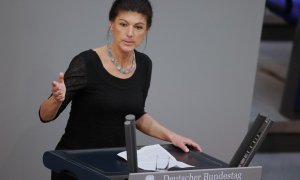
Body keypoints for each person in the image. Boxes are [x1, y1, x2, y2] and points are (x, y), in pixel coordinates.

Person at [39, 0, 202, 179]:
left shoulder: (144, 64)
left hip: (115, 168)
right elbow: (45, 116)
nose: (130, 33)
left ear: (146, 30)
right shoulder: (86, 62)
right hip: (76, 167)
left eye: (138, 27)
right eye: (123, 24)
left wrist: (172, 137)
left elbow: (137, 115)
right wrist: (56, 99)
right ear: (111, 24)